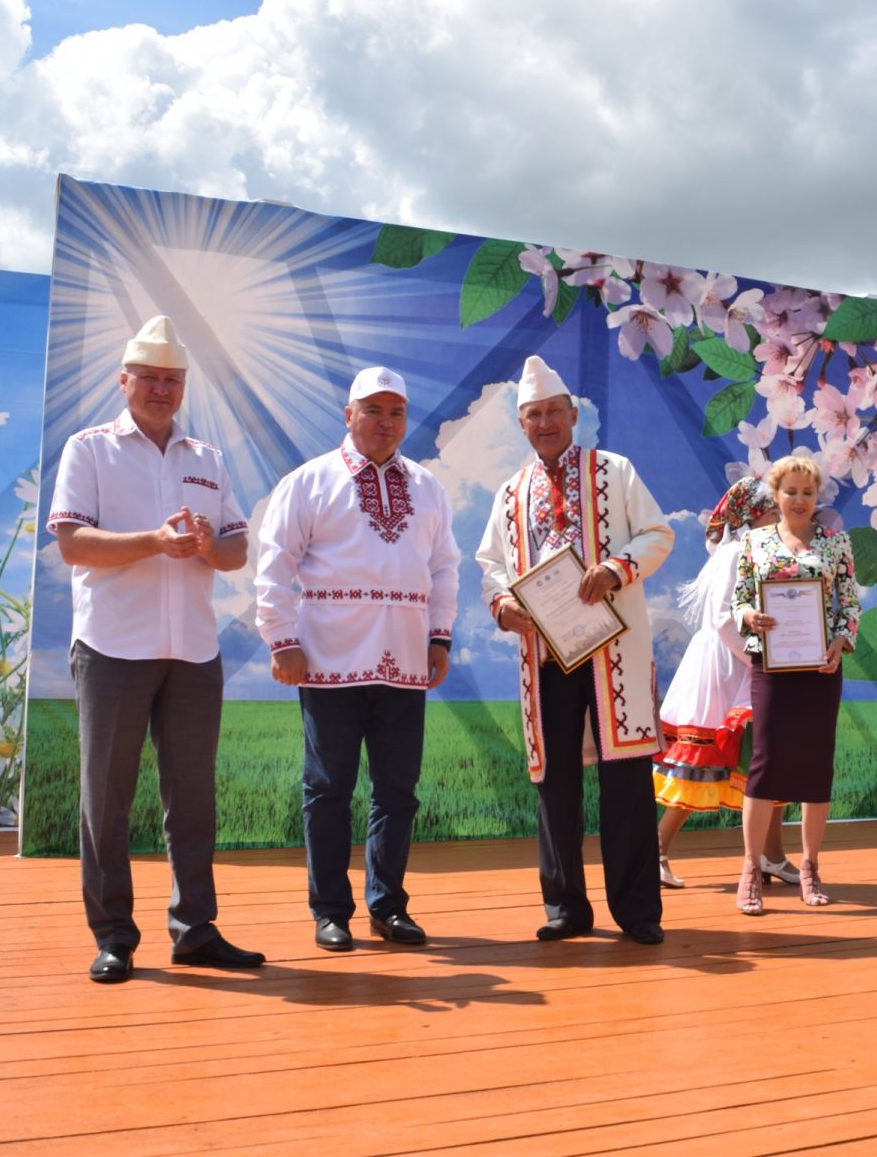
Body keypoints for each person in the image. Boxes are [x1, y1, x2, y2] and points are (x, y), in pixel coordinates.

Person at [48, 315, 262, 983]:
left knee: (193, 798)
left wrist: (204, 545)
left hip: (194, 650)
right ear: (124, 381)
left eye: (173, 381)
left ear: (184, 387)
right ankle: (114, 935)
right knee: (105, 798)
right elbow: (73, 543)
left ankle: (195, 928)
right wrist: (151, 541)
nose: (162, 391)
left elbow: (236, 551)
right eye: (150, 379)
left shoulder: (208, 460)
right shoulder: (89, 449)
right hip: (113, 646)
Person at [255, 366, 460, 953]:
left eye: (396, 411)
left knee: (398, 790)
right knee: (328, 788)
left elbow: (444, 566)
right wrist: (282, 638)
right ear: (349, 416)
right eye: (373, 410)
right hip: (328, 659)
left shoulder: (427, 486)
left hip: (403, 658)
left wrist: (439, 637)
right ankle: (330, 911)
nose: (386, 422)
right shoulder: (310, 481)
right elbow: (274, 563)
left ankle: (388, 906)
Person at [477, 355, 675, 945]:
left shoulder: (614, 470)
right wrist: (502, 607)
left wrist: (616, 570)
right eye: (532, 415)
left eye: (552, 413)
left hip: (611, 649)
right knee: (555, 781)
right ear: (522, 424)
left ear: (573, 415)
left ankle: (638, 911)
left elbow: (658, 533)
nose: (544, 424)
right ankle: (565, 906)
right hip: (546, 655)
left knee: (626, 779)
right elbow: (489, 565)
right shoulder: (509, 494)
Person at [653, 477, 797, 889]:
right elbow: (720, 617)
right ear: (754, 515)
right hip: (728, 664)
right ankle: (657, 848)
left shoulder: (763, 549)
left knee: (766, 758)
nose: (780, 515)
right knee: (707, 757)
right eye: (773, 510)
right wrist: (756, 657)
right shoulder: (737, 552)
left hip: (750, 662)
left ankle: (772, 855)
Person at [732, 454, 859, 914]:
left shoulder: (836, 542)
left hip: (821, 669)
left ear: (817, 495)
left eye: (808, 492)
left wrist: (841, 640)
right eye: (791, 491)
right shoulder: (754, 542)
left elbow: (850, 604)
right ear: (776, 494)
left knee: (815, 763)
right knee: (764, 760)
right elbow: (739, 599)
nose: (800, 500)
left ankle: (809, 866)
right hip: (770, 666)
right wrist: (749, 616)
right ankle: (751, 867)